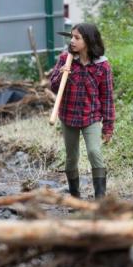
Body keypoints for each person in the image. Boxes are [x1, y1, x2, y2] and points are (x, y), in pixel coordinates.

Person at [50, 23, 115, 199]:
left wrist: (108, 126)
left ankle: (100, 198)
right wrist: (62, 74)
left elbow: (107, 97)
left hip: (91, 117)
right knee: (71, 157)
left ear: (88, 40)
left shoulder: (102, 65)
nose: (72, 41)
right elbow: (54, 86)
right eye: (71, 37)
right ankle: (75, 197)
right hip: (68, 116)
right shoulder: (66, 59)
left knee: (94, 151)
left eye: (77, 38)